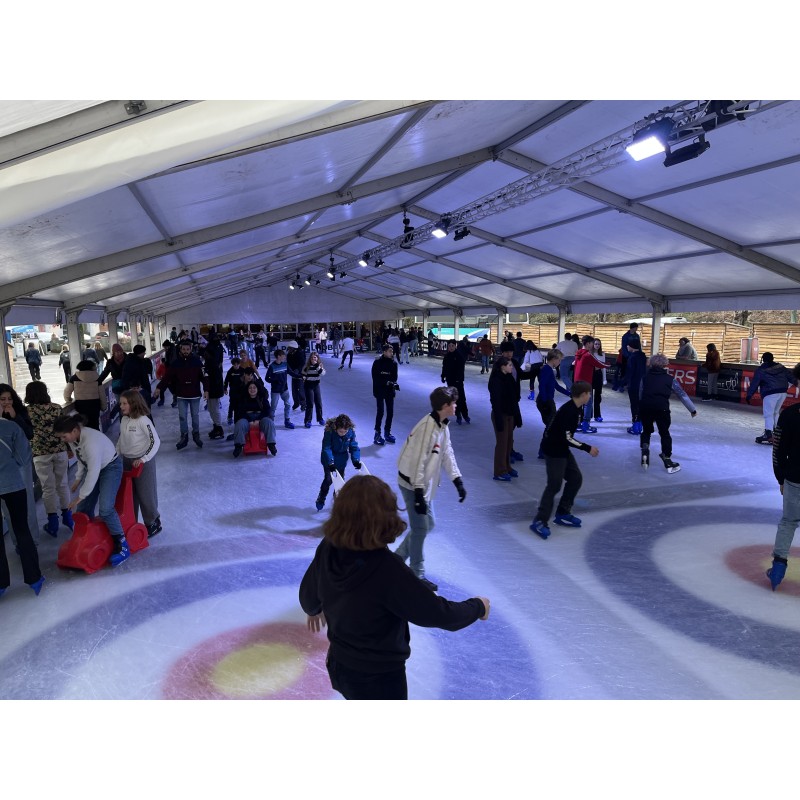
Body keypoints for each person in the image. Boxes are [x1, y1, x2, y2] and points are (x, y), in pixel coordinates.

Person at [299, 475, 489, 700]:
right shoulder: (388, 570)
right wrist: (477, 606)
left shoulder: (328, 547)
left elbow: (308, 596)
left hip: (340, 665)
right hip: (379, 679)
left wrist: (313, 609)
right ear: (385, 518)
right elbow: (438, 614)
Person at [395, 386, 466, 589]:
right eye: (453, 403)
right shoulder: (427, 429)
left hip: (423, 484)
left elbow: (447, 453)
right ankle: (417, 575)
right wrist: (417, 493)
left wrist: (457, 480)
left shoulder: (442, 426)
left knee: (429, 524)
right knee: (420, 528)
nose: (456, 405)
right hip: (411, 483)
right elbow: (418, 461)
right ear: (445, 406)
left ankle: (398, 557)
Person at [53, 414, 129, 568]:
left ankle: (122, 544)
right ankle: (90, 538)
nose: (63, 440)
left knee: (106, 509)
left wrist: (81, 495)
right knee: (83, 510)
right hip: (94, 467)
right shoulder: (75, 439)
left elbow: (94, 471)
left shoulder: (91, 442)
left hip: (110, 467)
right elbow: (82, 460)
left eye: (63, 436)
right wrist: (78, 478)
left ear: (74, 430)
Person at [530, 381, 600, 539]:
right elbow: (567, 438)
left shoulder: (576, 408)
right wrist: (587, 448)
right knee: (554, 485)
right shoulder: (570, 411)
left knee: (575, 478)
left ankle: (562, 512)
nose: (589, 396)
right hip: (554, 450)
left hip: (561, 448)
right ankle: (539, 521)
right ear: (583, 395)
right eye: (588, 394)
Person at [0, 417, 45, 598]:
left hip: (11, 484)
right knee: (22, 529)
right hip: (13, 484)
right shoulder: (10, 427)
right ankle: (34, 577)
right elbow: (24, 457)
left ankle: (1, 583)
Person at [766, 362, 800, 591]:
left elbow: (778, 450)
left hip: (795, 478)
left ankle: (778, 568)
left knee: (789, 521)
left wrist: (780, 478)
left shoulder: (790, 414)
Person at [24, 381, 73, 537]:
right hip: (60, 451)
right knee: (63, 483)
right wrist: (69, 448)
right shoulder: (57, 408)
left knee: (48, 488)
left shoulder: (27, 412)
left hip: (40, 454)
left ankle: (52, 523)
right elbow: (66, 428)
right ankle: (68, 517)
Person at [638, 353, 697, 473]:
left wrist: (641, 407)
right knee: (664, 433)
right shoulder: (670, 379)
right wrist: (692, 410)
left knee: (646, 431)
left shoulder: (644, 378)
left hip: (646, 407)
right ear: (665, 365)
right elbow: (682, 395)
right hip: (662, 409)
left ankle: (645, 449)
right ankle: (667, 458)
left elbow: (640, 394)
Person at [116, 390, 162, 537]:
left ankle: (153, 522)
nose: (121, 406)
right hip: (127, 461)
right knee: (130, 495)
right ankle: (131, 522)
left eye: (124, 403)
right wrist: (115, 455)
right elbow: (121, 440)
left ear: (133, 404)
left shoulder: (143, 420)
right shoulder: (123, 420)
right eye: (120, 403)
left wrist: (143, 459)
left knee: (146, 493)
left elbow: (155, 441)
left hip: (142, 462)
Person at [152, 339, 208, 450]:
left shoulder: (197, 361)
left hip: (194, 394)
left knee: (195, 416)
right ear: (180, 350)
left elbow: (204, 377)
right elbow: (167, 377)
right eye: (184, 349)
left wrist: (206, 389)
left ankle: (196, 435)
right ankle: (184, 436)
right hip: (181, 395)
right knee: (182, 417)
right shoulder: (176, 363)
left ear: (191, 349)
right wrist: (159, 387)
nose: (186, 351)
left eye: (188, 349)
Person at [746, 352, 797, 445]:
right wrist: (797, 383)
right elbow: (791, 377)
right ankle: (777, 433)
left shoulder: (761, 370)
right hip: (782, 392)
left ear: (763, 359)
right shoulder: (781, 367)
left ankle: (769, 434)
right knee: (775, 412)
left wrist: (749, 395)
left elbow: (755, 383)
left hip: (770, 393)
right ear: (772, 358)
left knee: (768, 414)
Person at [315, 414, 361, 512]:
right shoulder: (329, 432)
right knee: (328, 480)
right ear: (336, 428)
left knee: (340, 482)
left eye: (345, 431)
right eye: (341, 431)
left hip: (341, 460)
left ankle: (338, 502)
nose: (343, 433)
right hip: (329, 459)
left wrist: (356, 460)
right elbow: (326, 448)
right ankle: (321, 497)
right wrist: (330, 462)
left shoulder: (351, 432)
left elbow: (354, 447)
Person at [488, 357, 522, 481]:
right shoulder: (496, 380)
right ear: (502, 366)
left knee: (508, 443)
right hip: (500, 414)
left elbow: (514, 399)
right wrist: (498, 419)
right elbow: (495, 402)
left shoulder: (509, 378)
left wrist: (517, 416)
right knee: (502, 444)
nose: (511, 367)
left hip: (510, 414)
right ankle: (499, 471)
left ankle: (507, 467)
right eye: (509, 365)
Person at [535, 349, 570, 459]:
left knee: (551, 427)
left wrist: (569, 393)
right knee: (551, 427)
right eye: (559, 360)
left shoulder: (549, 370)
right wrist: (545, 402)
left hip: (547, 400)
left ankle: (544, 450)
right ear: (554, 359)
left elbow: (556, 386)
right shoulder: (546, 370)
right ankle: (544, 450)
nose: (560, 362)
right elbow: (542, 386)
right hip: (546, 401)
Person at [231, 381, 277, 458]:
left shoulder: (262, 398)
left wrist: (258, 419)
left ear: (257, 389)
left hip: (261, 418)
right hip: (246, 418)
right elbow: (240, 411)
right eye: (250, 388)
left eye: (254, 388)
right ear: (247, 389)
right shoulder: (243, 399)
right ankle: (238, 446)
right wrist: (249, 420)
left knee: (269, 422)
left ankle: (271, 444)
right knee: (239, 424)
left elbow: (267, 411)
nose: (252, 389)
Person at [573, 335, 607, 433]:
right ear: (588, 343)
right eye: (592, 343)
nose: (593, 345)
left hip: (577, 381)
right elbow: (600, 364)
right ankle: (586, 425)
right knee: (588, 403)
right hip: (585, 382)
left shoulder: (578, 353)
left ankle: (578, 424)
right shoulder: (588, 355)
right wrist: (609, 364)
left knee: (579, 403)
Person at [498, 341, 524, 463]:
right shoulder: (500, 365)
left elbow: (522, 375)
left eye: (511, 352)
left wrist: (536, 371)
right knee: (506, 429)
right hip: (505, 402)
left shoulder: (514, 363)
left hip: (514, 399)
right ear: (502, 352)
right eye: (507, 352)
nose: (509, 354)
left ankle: (510, 449)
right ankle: (506, 453)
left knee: (512, 426)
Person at [64, 359, 107, 430]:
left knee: (82, 426)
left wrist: (68, 399)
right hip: (94, 405)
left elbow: (67, 392)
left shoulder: (74, 378)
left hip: (80, 406)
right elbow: (102, 394)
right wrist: (103, 407)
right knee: (94, 425)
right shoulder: (97, 378)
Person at [371, 344, 398, 445]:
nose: (391, 353)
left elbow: (394, 377)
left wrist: (392, 383)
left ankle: (387, 432)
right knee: (381, 412)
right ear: (384, 352)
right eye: (390, 351)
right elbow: (375, 377)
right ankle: (377, 433)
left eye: (392, 351)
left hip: (390, 391)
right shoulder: (377, 362)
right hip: (379, 390)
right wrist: (385, 382)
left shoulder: (394, 363)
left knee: (390, 412)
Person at [441, 340, 470, 424]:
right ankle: (458, 415)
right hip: (450, 380)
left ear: (455, 346)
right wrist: (443, 375)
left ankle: (465, 414)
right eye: (449, 346)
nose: (450, 348)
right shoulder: (447, 356)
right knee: (454, 399)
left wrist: (459, 379)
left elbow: (461, 369)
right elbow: (444, 367)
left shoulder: (459, 356)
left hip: (458, 381)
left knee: (461, 398)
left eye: (452, 346)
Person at [265, 349, 294, 429]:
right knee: (273, 407)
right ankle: (271, 422)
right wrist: (275, 380)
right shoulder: (272, 366)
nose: (284, 357)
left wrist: (300, 376)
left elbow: (291, 373)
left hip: (284, 389)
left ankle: (287, 421)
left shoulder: (285, 364)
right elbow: (267, 378)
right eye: (283, 355)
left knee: (288, 404)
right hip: (275, 390)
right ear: (278, 356)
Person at [625, 335, 648, 435]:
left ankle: (635, 426)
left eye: (628, 345)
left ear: (631, 346)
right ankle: (640, 425)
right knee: (640, 405)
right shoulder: (644, 357)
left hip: (634, 385)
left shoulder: (632, 358)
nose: (627, 347)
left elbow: (630, 372)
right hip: (643, 385)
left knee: (634, 405)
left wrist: (624, 383)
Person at [99, 343, 127, 418]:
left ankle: (113, 414)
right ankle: (123, 423)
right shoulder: (110, 362)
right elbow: (105, 373)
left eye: (120, 351)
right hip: (117, 386)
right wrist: (98, 381)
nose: (119, 353)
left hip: (127, 385)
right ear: (113, 353)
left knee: (125, 403)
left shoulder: (128, 359)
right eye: (117, 352)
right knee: (121, 404)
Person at [121, 344, 154, 409]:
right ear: (140, 353)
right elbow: (127, 378)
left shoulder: (140, 361)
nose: (145, 353)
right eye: (144, 352)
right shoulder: (134, 363)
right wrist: (135, 387)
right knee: (143, 410)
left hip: (140, 390)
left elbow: (148, 371)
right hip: (137, 392)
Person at [301, 351, 326, 428]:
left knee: (318, 403)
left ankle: (320, 419)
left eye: (315, 357)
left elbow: (323, 373)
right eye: (312, 357)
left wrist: (317, 366)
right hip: (308, 385)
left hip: (316, 385)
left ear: (317, 358)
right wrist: (304, 378)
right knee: (310, 404)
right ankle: (308, 421)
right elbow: (302, 374)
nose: (313, 359)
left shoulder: (320, 366)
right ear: (310, 359)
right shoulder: (307, 366)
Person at [616, 323, 639, 391]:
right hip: (626, 357)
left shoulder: (637, 336)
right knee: (624, 371)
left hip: (634, 356)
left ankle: (630, 385)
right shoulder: (625, 336)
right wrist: (627, 356)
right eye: (635, 327)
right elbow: (624, 347)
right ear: (632, 328)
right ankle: (622, 385)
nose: (636, 329)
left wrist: (639, 353)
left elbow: (639, 345)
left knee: (633, 371)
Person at [286, 342, 306, 414]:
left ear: (293, 348)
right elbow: (288, 363)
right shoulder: (289, 355)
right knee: (294, 389)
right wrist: (290, 370)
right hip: (294, 374)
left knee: (301, 390)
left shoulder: (300, 353)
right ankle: (296, 403)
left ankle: (303, 404)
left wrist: (298, 370)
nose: (288, 350)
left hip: (300, 374)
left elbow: (303, 363)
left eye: (290, 348)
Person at [590, 338, 607, 422]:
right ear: (593, 344)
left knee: (598, 396)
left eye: (598, 344)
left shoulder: (602, 354)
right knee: (589, 396)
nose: (597, 345)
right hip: (590, 375)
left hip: (598, 375)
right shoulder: (590, 353)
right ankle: (588, 414)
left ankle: (597, 415)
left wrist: (604, 379)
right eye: (596, 344)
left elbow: (603, 367)